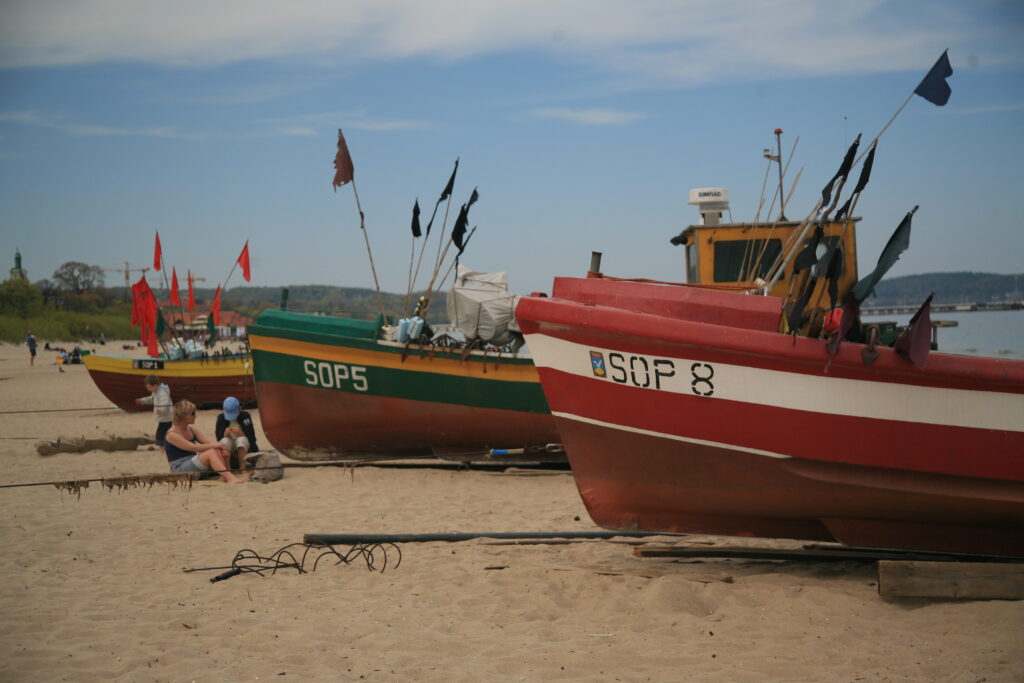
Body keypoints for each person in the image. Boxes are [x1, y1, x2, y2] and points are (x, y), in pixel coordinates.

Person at [164, 399, 244, 484]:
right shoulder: (172, 435)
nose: (196, 416)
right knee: (211, 452)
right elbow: (194, 447)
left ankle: (224, 475)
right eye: (193, 413)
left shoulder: (191, 430)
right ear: (183, 416)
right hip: (179, 469)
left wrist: (222, 447)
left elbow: (208, 442)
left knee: (216, 449)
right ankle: (230, 478)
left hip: (193, 464)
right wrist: (218, 445)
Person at [215, 396, 259, 471]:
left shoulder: (245, 416)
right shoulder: (221, 417)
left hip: (244, 444)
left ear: (239, 409)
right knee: (225, 441)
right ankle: (227, 468)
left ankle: (243, 467)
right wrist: (225, 435)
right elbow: (218, 438)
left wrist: (242, 433)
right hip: (230, 444)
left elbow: (252, 437)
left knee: (241, 440)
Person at [135, 375, 172, 447]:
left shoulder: (162, 392)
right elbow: (151, 399)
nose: (148, 389)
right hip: (163, 417)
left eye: (149, 387)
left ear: (155, 385)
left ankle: (162, 448)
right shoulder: (156, 391)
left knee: (160, 434)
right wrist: (142, 401)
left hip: (166, 417)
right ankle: (165, 446)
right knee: (164, 433)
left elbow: (165, 402)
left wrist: (161, 410)